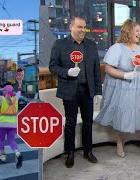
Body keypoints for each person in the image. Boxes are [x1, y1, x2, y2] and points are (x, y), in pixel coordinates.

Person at [49, 16, 102, 168]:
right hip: (69, 89)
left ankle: (88, 150)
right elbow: (52, 66)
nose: (82, 30)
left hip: (87, 90)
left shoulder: (91, 45)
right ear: (71, 27)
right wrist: (67, 72)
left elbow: (96, 70)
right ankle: (70, 152)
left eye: (84, 27)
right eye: (79, 27)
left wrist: (98, 91)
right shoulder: (60, 44)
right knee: (71, 122)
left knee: (88, 122)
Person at [94, 19, 140, 158]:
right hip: (122, 87)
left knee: (138, 113)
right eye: (137, 31)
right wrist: (125, 75)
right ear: (129, 31)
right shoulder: (117, 48)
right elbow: (108, 69)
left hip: (136, 88)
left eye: (139, 31)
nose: (139, 34)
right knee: (122, 115)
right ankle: (120, 142)